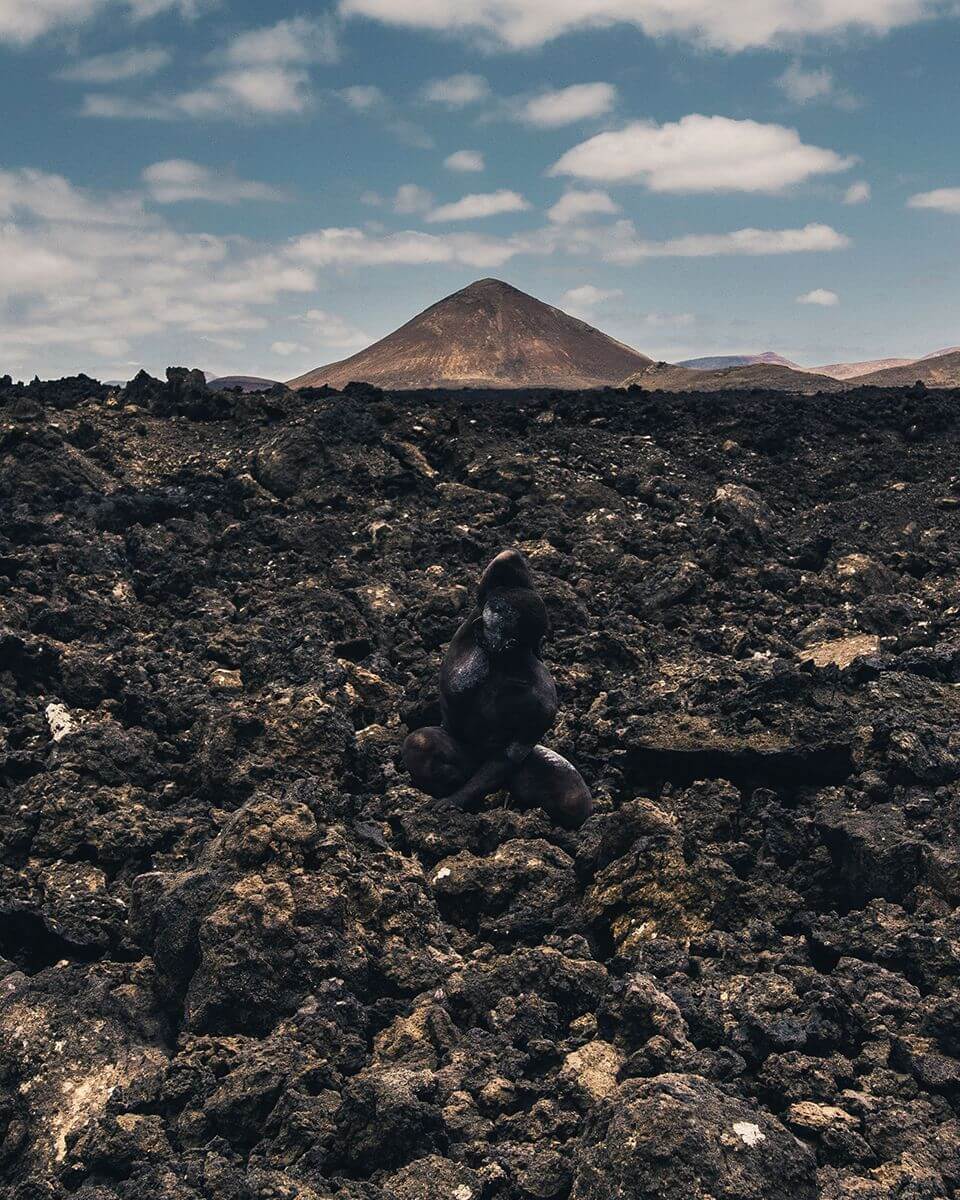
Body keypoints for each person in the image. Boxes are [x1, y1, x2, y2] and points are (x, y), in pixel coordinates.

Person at [403, 549, 593, 829]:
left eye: (489, 630)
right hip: (455, 743)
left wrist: (459, 800)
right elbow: (509, 559)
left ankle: (498, 806)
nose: (477, 626)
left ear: (511, 645)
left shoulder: (537, 698)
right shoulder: (480, 624)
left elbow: (509, 758)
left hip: (506, 763)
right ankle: (480, 799)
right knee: (419, 748)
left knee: (575, 803)